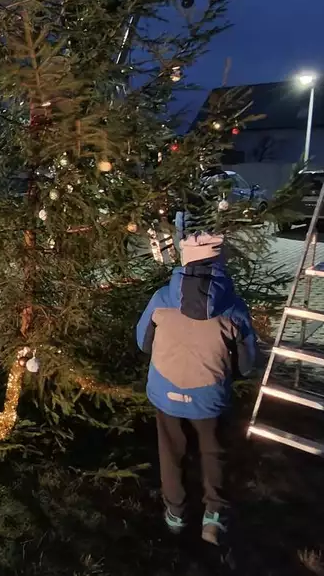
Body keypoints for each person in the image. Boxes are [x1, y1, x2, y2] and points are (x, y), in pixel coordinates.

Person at [135, 232, 256, 546]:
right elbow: (247, 364)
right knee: (212, 450)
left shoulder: (161, 298)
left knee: (171, 450)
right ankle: (213, 516)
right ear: (220, 260)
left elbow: (142, 343)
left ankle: (175, 513)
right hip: (209, 396)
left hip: (165, 391)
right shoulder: (233, 306)